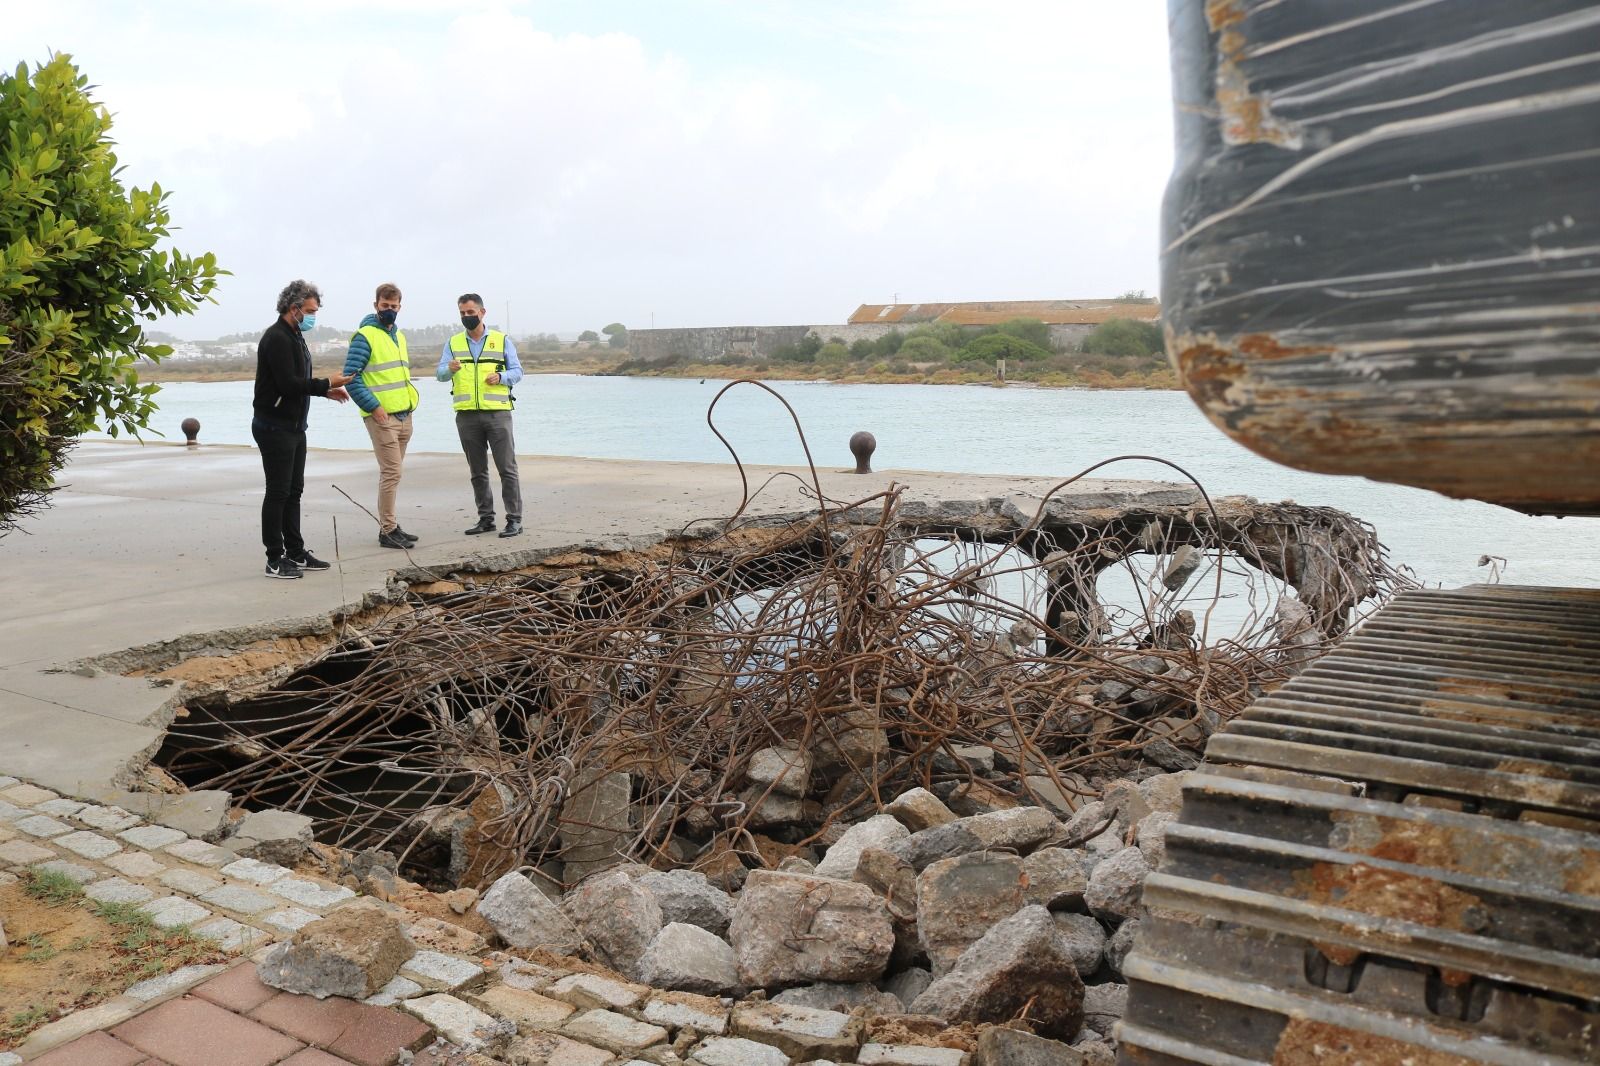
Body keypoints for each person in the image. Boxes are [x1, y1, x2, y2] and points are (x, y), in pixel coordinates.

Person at [252, 280, 352, 579]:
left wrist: (323, 392)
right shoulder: (277, 338)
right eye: (310, 311)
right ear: (293, 308)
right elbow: (287, 384)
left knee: (294, 491)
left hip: (295, 427)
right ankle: (273, 558)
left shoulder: (296, 336)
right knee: (278, 492)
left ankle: (295, 551)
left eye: (315, 311)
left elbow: (297, 383)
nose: (313, 317)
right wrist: (326, 383)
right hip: (274, 426)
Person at [438, 293, 524, 538]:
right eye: (463, 313)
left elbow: (518, 371)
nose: (467, 316)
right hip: (466, 416)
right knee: (477, 471)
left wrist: (502, 377)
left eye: (470, 312)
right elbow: (440, 374)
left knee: (507, 469)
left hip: (498, 414)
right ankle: (486, 519)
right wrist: (448, 369)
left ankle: (514, 520)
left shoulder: (501, 340)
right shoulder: (453, 343)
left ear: (482, 312)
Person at [343, 282, 420, 548]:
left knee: (394, 473)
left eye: (394, 306)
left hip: (404, 415)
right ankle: (387, 531)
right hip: (381, 417)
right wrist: (374, 408)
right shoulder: (365, 336)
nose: (389, 310)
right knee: (391, 473)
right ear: (375, 305)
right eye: (385, 306)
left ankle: (392, 525)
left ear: (400, 307)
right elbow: (351, 379)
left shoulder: (399, 336)